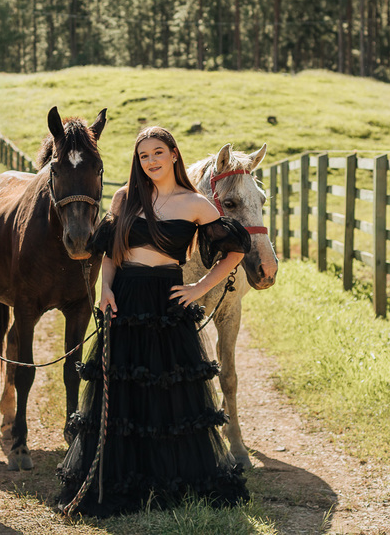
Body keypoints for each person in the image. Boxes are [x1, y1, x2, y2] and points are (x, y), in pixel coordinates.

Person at [57, 125, 252, 518]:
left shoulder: (195, 203)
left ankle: (171, 479)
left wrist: (198, 287)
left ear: (174, 154)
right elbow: (111, 251)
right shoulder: (125, 198)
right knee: (123, 390)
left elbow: (234, 250)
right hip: (125, 297)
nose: (151, 161)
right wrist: (105, 289)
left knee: (171, 394)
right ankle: (123, 477)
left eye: (158, 153)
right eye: (144, 155)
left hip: (168, 299)